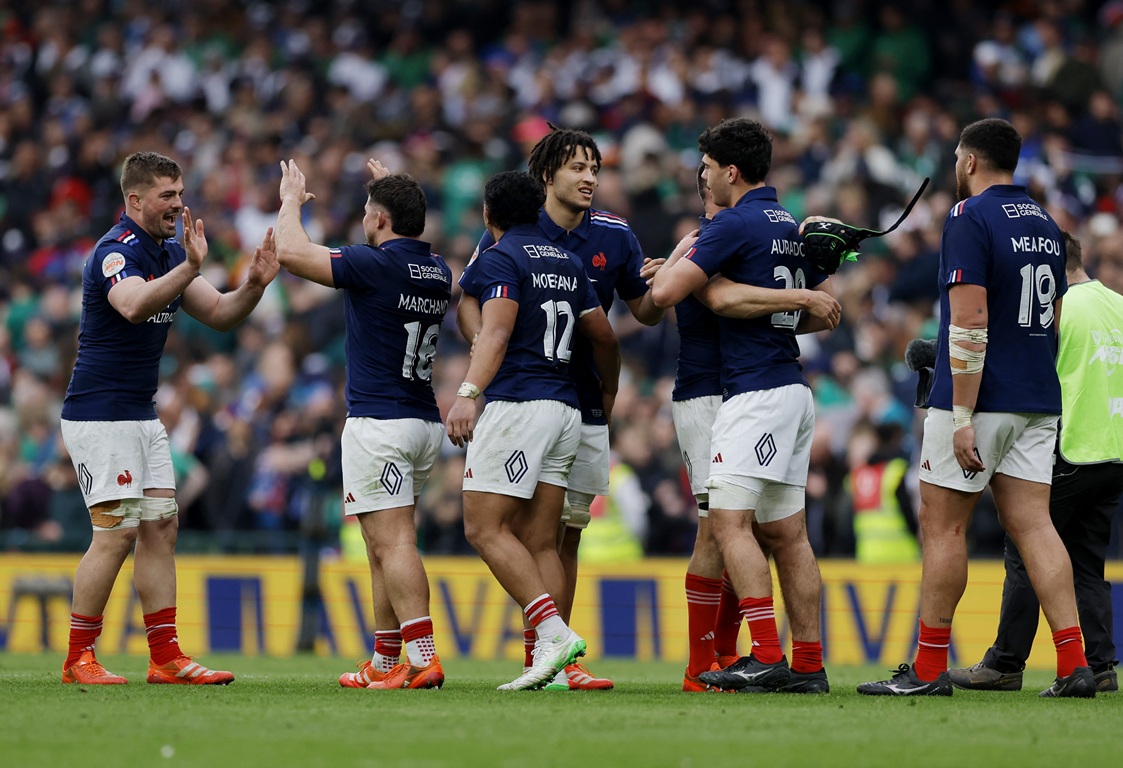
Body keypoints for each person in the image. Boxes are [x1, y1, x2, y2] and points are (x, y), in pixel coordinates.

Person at [857, 118, 1095, 698]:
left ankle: (930, 669)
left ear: (968, 161)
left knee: (943, 527)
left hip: (981, 398)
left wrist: (962, 415)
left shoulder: (968, 217)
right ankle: (1074, 665)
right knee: (1036, 526)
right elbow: (1053, 322)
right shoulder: (1046, 222)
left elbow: (968, 321)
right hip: (1038, 398)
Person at [60, 151, 279, 685]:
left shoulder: (169, 252)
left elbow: (222, 314)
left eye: (180, 193)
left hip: (140, 413)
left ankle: (166, 657)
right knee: (114, 534)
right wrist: (188, 268)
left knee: (161, 527)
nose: (179, 204)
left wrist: (254, 284)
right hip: (100, 415)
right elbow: (133, 305)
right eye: (167, 195)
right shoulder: (116, 251)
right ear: (134, 199)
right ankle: (78, 657)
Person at [461, 126, 662, 691]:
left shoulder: (616, 236)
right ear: (546, 177)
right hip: (543, 396)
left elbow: (642, 311)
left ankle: (555, 660)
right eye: (578, 167)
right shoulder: (520, 231)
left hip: (571, 407)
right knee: (528, 533)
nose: (591, 177)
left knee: (559, 536)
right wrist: (487, 353)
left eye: (595, 167)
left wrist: (667, 281)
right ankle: (548, 654)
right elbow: (472, 304)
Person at [650, 118, 837, 693]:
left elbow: (682, 297)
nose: (702, 177)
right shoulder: (787, 223)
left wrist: (684, 265)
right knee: (789, 535)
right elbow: (800, 314)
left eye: (707, 167)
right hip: (791, 388)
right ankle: (808, 664)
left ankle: (766, 654)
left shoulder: (731, 224)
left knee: (729, 525)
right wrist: (805, 290)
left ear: (731, 171)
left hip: (753, 394)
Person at [275, 158, 450, 690]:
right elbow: (403, 233)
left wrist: (290, 199)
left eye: (368, 213)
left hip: (381, 422)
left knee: (393, 543)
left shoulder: (375, 265)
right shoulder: (437, 269)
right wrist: (397, 190)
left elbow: (290, 251)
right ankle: (384, 659)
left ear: (378, 220)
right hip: (421, 421)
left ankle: (422, 658)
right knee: (383, 543)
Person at [449, 170, 620, 691]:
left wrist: (467, 392)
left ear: (488, 216)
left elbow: (495, 332)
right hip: (567, 408)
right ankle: (555, 665)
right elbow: (605, 338)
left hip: (520, 404)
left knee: (482, 527)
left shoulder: (501, 257)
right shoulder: (567, 262)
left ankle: (553, 634)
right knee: (542, 541)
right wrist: (607, 395)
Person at [949, 231, 1120, 694]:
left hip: (1069, 446)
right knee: (1087, 564)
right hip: (1112, 451)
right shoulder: (1115, 303)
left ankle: (1005, 663)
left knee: (1026, 547)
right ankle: (1101, 668)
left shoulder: (1059, 310)